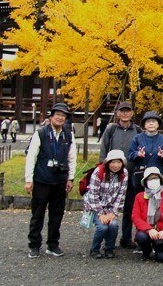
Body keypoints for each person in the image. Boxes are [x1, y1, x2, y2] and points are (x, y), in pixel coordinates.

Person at [24, 102, 78, 258]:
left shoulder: (68, 135)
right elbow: (31, 157)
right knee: (37, 214)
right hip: (42, 179)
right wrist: (29, 179)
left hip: (60, 180)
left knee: (57, 214)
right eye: (58, 115)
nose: (60, 118)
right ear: (51, 117)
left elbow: (72, 157)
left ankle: (53, 244)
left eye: (63, 116)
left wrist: (71, 177)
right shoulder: (41, 133)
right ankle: (34, 245)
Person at [100, 101, 143, 249]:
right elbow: (104, 148)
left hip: (131, 174)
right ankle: (107, 238)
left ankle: (126, 237)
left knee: (129, 207)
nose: (125, 113)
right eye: (122, 111)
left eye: (128, 111)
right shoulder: (111, 129)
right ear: (117, 113)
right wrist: (103, 168)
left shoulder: (138, 130)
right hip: (112, 174)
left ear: (132, 113)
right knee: (108, 205)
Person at [83, 149, 129, 259]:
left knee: (113, 225)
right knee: (102, 227)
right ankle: (94, 249)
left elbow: (121, 195)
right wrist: (100, 214)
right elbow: (93, 195)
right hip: (95, 206)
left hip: (111, 207)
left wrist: (113, 212)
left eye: (119, 162)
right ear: (107, 162)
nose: (116, 165)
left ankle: (109, 248)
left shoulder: (124, 173)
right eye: (113, 162)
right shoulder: (99, 172)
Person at [132, 167, 163, 262]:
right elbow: (136, 217)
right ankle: (146, 250)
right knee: (141, 237)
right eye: (150, 179)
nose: (153, 181)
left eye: (156, 178)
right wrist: (149, 229)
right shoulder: (139, 197)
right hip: (148, 231)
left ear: (160, 180)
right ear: (145, 181)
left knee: (162, 258)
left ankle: (158, 247)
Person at [128, 111, 163, 189]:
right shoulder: (137, 138)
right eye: (148, 121)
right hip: (141, 176)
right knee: (141, 196)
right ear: (144, 125)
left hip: (158, 176)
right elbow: (130, 156)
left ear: (158, 124)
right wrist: (138, 154)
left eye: (154, 121)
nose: (151, 123)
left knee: (158, 195)